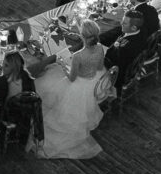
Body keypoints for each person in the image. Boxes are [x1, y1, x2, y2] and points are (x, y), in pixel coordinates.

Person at [34, 21, 111, 159]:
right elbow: (99, 67)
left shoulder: (78, 55)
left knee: (48, 80)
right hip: (94, 81)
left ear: (82, 36)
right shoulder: (99, 48)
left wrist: (64, 65)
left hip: (79, 85)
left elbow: (71, 78)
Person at [103, 11, 151, 91]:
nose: (121, 24)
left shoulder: (126, 48)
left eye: (124, 23)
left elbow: (113, 64)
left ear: (134, 28)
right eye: (122, 21)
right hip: (123, 63)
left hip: (116, 74)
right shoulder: (139, 31)